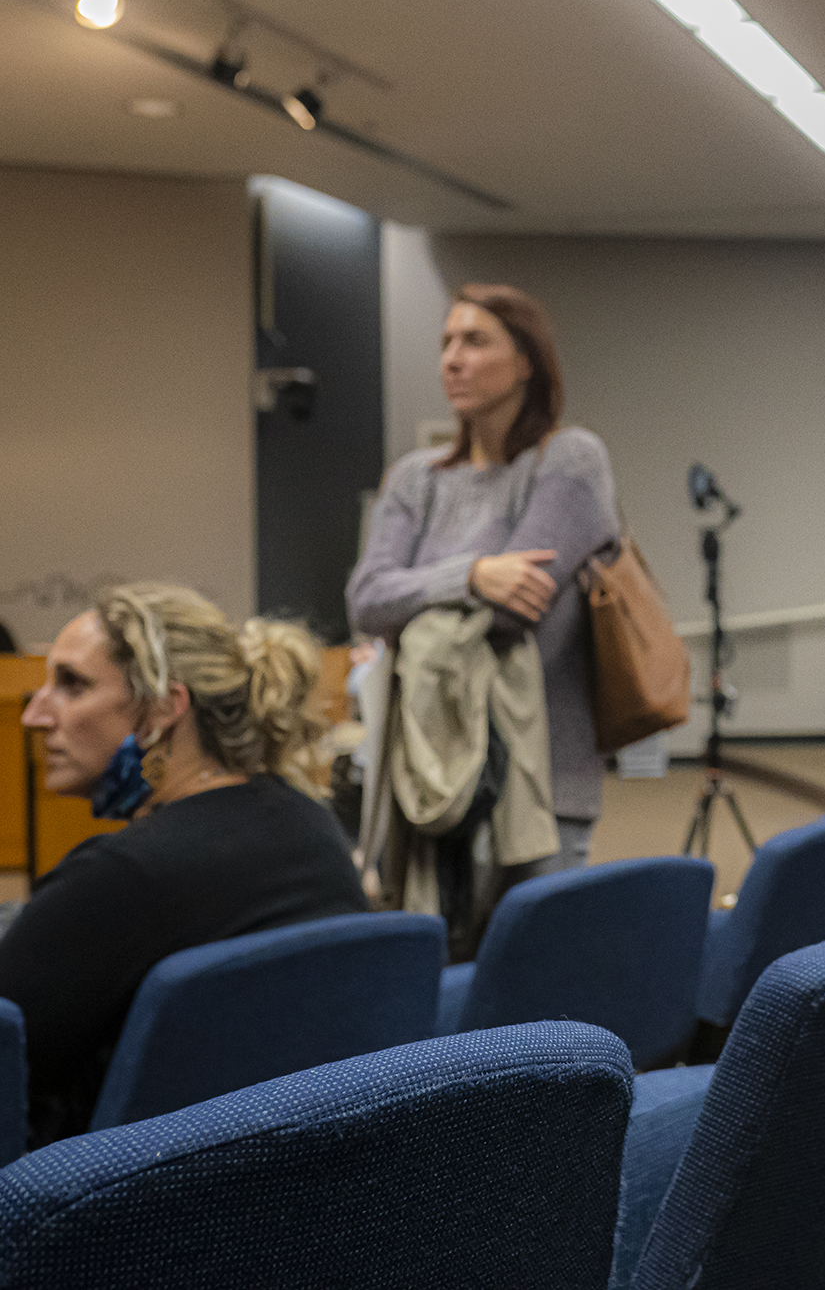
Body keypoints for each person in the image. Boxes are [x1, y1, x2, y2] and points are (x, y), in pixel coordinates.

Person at [0, 583, 367, 1148]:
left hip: (102, 1203)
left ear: (165, 709)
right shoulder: (310, 826)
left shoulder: (125, 876)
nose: (35, 716)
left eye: (72, 685)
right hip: (279, 1179)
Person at [347, 284, 618, 885]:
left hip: (539, 783)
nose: (452, 359)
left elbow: (515, 610)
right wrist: (471, 576)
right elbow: (366, 600)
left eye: (475, 341)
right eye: (446, 342)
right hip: (423, 779)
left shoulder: (569, 460)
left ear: (526, 361)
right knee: (431, 968)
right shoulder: (415, 478)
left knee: (529, 971)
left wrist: (418, 595)